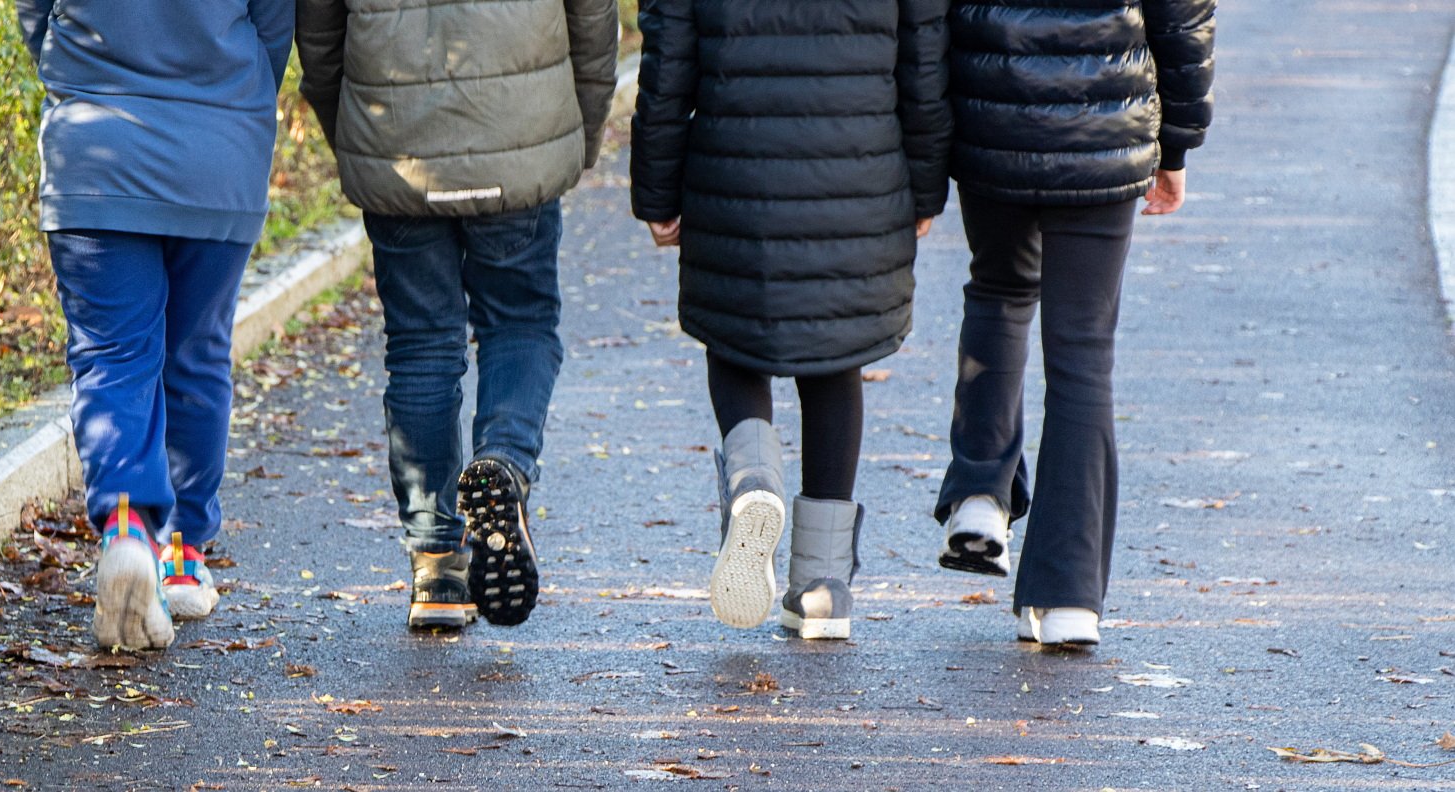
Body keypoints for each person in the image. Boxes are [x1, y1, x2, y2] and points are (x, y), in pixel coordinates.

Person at [631, 0, 952, 639]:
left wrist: (657, 189)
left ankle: (754, 481)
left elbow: (667, 59)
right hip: (858, 166)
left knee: (735, 340)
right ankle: (823, 588)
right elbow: (925, 55)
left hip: (733, 165)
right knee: (836, 355)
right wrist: (924, 182)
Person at [296, 0, 617, 630]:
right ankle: (503, 464)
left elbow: (319, 36)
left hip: (399, 144)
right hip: (518, 134)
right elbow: (593, 21)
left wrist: (359, 140)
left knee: (420, 346)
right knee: (519, 324)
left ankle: (437, 565)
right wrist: (579, 132)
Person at [934, 0, 1216, 646]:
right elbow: (1184, 14)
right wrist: (1176, 142)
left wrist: (932, 138)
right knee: (1082, 348)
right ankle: (1069, 598)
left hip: (992, 109)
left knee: (1000, 290)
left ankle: (980, 492)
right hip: (1105, 121)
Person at [13, 0, 293, 650]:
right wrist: (235, 102)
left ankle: (128, 527)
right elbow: (276, 27)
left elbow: (35, 12)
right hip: (219, 156)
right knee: (196, 353)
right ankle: (184, 557)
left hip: (94, 148)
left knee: (113, 356)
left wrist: (72, 75)